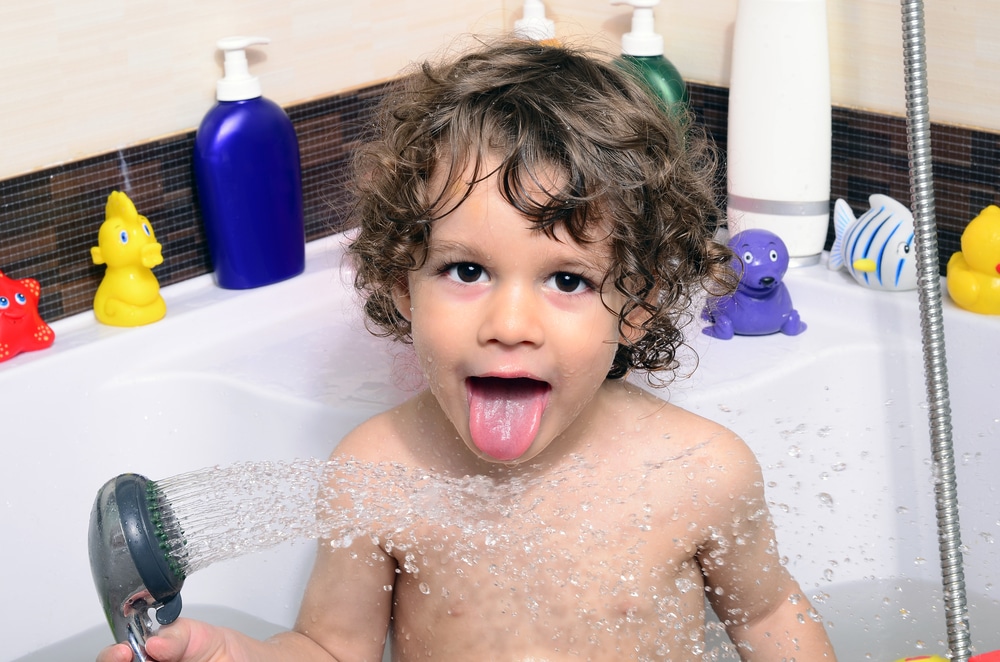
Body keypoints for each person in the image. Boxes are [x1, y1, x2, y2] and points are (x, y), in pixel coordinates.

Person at [98, 38, 836, 661]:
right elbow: (329, 649)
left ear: (638, 306)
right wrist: (239, 656)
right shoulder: (375, 473)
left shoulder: (699, 471)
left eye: (568, 279)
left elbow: (769, 619)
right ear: (400, 285)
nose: (509, 323)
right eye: (467, 270)